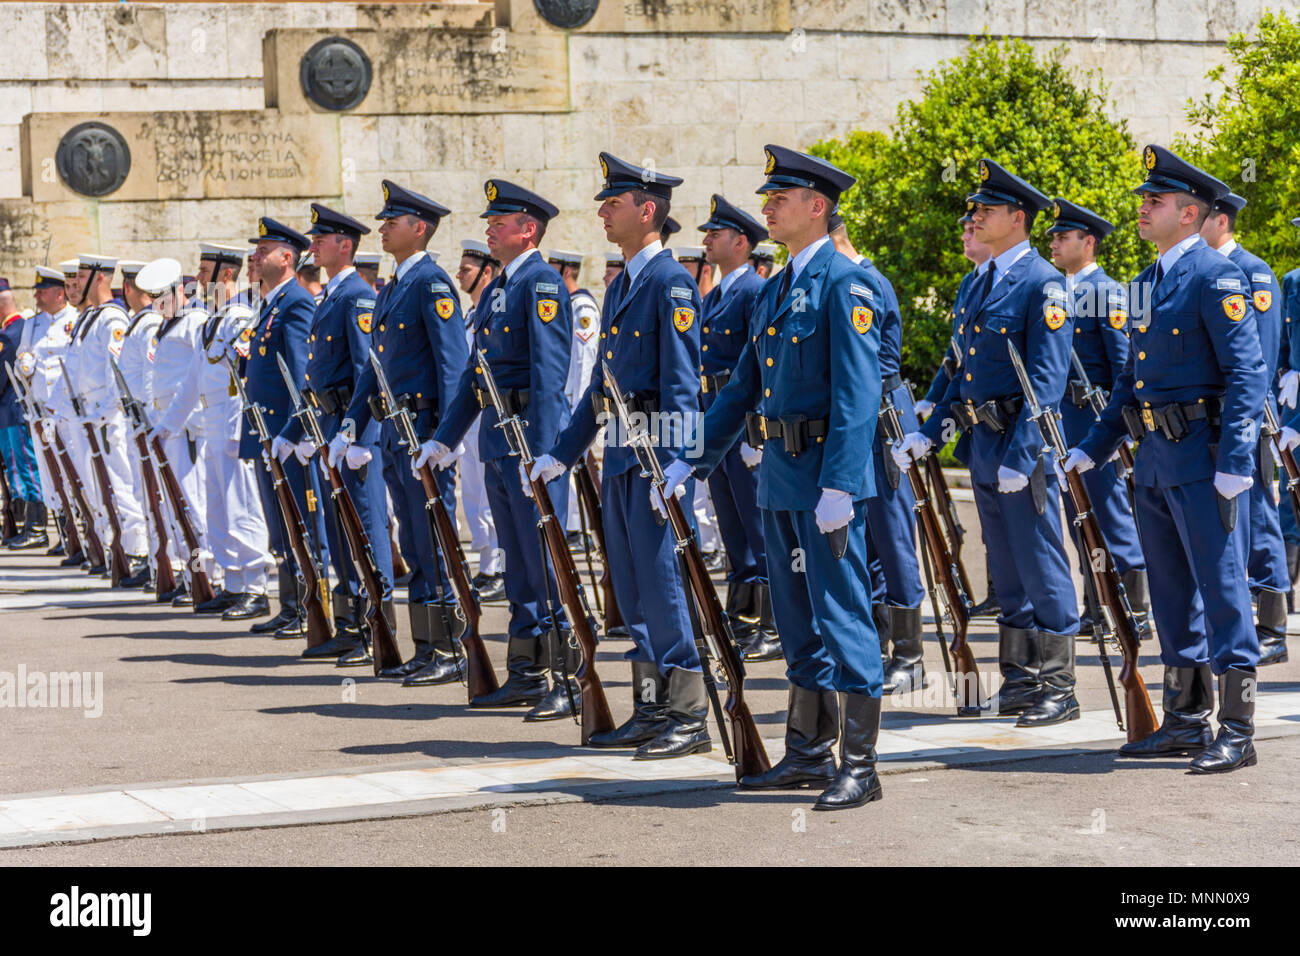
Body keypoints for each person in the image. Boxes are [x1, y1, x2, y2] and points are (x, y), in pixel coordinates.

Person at [661, 145, 886, 808]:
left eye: (780, 198)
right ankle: (809, 753)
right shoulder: (781, 285)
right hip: (783, 478)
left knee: (843, 613)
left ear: (817, 206)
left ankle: (861, 765)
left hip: (826, 479)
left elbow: (858, 392)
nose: (767, 208)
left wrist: (842, 484)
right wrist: (692, 457)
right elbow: (741, 387)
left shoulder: (847, 284)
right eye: (768, 198)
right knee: (796, 617)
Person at [1069, 145, 1266, 774]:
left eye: (1154, 202)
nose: (1142, 209)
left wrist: (1236, 456)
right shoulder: (1147, 282)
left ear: (1189, 214)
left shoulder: (1215, 276)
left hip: (1206, 459)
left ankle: (1237, 726)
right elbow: (1131, 379)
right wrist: (1094, 448)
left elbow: (1247, 374)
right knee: (1175, 592)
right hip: (1154, 461)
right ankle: (1185, 718)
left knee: (1224, 589)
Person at [531, 151, 710, 759]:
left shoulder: (672, 282)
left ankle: (688, 713)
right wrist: (562, 451)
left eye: (615, 202)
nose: (604, 211)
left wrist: (681, 462)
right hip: (621, 456)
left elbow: (685, 383)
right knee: (629, 588)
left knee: (662, 585)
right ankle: (651, 705)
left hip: (654, 458)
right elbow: (601, 386)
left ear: (648, 209)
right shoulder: (625, 284)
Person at [895, 159, 1081, 727]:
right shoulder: (979, 281)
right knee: (1005, 564)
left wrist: (1025, 456)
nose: (975, 216)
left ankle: (1059, 685)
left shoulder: (1042, 283)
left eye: (986, 210)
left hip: (1020, 449)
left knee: (1041, 560)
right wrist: (929, 434)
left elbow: (1046, 382)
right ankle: (1021, 679)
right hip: (982, 442)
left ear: (1017, 219)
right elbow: (957, 369)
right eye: (975, 208)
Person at [424, 181, 576, 716]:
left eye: (499, 221)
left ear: (527, 229)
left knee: (544, 563)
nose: (489, 228)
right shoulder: (494, 289)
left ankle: (566, 677)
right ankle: (527, 671)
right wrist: (444, 437)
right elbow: (474, 375)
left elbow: (551, 375)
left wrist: (543, 451)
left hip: (528, 444)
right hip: (496, 439)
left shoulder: (541, 285)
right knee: (517, 564)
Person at [331, 181, 468, 680]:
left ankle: (451, 649)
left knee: (433, 540)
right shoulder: (392, 287)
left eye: (393, 221)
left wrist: (446, 439)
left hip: (425, 432)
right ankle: (428, 647)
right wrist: (351, 426)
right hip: (395, 431)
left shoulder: (431, 284)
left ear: (420, 229)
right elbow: (374, 367)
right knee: (412, 542)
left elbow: (453, 365)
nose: (384, 227)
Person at [829, 212, 927, 692]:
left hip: (883, 414)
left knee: (893, 535)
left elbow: (876, 363)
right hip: (862, 415)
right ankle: (880, 644)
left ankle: (910, 655)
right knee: (866, 538)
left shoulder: (865, 282)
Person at [1046, 199, 1149, 630]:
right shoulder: (1061, 291)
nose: (1053, 243)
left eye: (1062, 237)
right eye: (1052, 236)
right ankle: (1098, 605)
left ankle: (1134, 611)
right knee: (1079, 517)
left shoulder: (1107, 292)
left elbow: (1126, 362)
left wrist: (1118, 428)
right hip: (1067, 420)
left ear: (1088, 243)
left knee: (1110, 516)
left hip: (1095, 418)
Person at [1200, 193, 1289, 667]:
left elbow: (1263, 353)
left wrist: (1252, 413)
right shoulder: (1207, 271)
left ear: (1220, 220)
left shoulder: (1252, 272)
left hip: (1248, 416)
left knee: (1259, 513)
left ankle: (1273, 626)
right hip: (1218, 418)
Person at [696, 194, 778, 660]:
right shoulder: (719, 293)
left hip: (745, 429)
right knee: (732, 525)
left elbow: (764, 366)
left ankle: (772, 620)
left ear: (741, 243)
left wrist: (759, 431)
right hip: (719, 422)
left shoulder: (755, 291)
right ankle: (743, 612)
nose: (707, 240)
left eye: (715, 233)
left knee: (759, 526)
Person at [242, 219, 329, 637]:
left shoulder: (296, 302)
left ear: (287, 258)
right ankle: (291, 605)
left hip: (288, 438)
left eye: (264, 249)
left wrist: (297, 432)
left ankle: (313, 607)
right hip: (269, 434)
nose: (256, 256)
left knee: (301, 523)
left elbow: (300, 373)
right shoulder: (272, 302)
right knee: (280, 524)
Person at [65, 254, 150, 586]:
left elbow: (117, 375)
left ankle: (138, 551)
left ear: (100, 278)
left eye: (82, 274)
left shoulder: (111, 319)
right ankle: (118, 548)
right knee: (102, 487)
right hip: (90, 417)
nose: (75, 281)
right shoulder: (92, 318)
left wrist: (102, 413)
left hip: (107, 418)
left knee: (121, 486)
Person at [143, 257, 219, 605]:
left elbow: (198, 379)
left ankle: (211, 576)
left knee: (194, 505)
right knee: (179, 506)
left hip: (188, 429)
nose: (158, 305)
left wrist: (185, 423)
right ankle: (194, 577)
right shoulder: (170, 325)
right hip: (171, 429)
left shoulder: (195, 322)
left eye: (163, 297)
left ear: (179, 291)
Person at [454, 239, 505, 600]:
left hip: (491, 414)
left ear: (486, 272)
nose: (459, 275)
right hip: (470, 416)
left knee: (490, 495)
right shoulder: (469, 315)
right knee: (472, 494)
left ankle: (499, 566)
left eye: (466, 269)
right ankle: (486, 563)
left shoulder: (496, 309)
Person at [545, 248, 600, 549]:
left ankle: (578, 530)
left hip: (574, 404)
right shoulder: (566, 306)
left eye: (555, 268)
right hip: (564, 403)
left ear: (567, 270)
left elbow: (583, 363)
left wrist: (581, 412)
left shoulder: (582, 309)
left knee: (575, 467)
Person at [0, 286, 44, 549]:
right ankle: (27, 525)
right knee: (19, 468)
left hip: (13, 413)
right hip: (9, 414)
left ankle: (36, 528)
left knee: (24, 467)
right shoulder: (17, 331)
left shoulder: (11, 334)